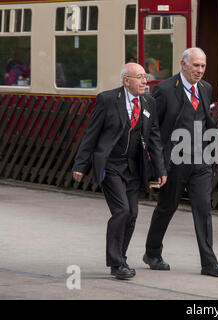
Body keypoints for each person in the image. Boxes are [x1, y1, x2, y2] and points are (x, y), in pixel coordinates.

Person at [72, 63, 167, 280]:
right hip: (111, 165)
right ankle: (116, 263)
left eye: (146, 77)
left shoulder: (148, 102)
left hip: (134, 168)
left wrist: (161, 169)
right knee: (122, 210)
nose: (145, 82)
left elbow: (154, 138)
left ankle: (121, 258)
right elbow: (91, 134)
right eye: (140, 77)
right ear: (126, 81)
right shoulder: (107, 100)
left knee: (132, 214)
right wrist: (80, 164)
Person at [143, 47, 218, 277]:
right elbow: (153, 129)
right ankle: (152, 252)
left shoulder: (205, 88)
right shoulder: (164, 90)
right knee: (167, 207)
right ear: (183, 65)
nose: (200, 71)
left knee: (203, 209)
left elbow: (205, 121)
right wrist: (158, 164)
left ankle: (209, 263)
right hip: (174, 160)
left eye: (203, 66)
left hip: (200, 160)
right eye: (195, 66)